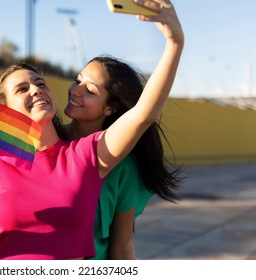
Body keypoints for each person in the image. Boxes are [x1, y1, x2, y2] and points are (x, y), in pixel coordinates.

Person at [0, 0, 184, 260]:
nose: (35, 90)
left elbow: (143, 113)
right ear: (6, 110)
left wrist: (174, 44)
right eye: (22, 89)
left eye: (40, 83)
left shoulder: (85, 154)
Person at [63, 55, 182, 259]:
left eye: (90, 90)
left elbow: (122, 246)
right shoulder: (45, 142)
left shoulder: (124, 168)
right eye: (77, 80)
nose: (75, 90)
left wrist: (174, 43)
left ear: (111, 108)